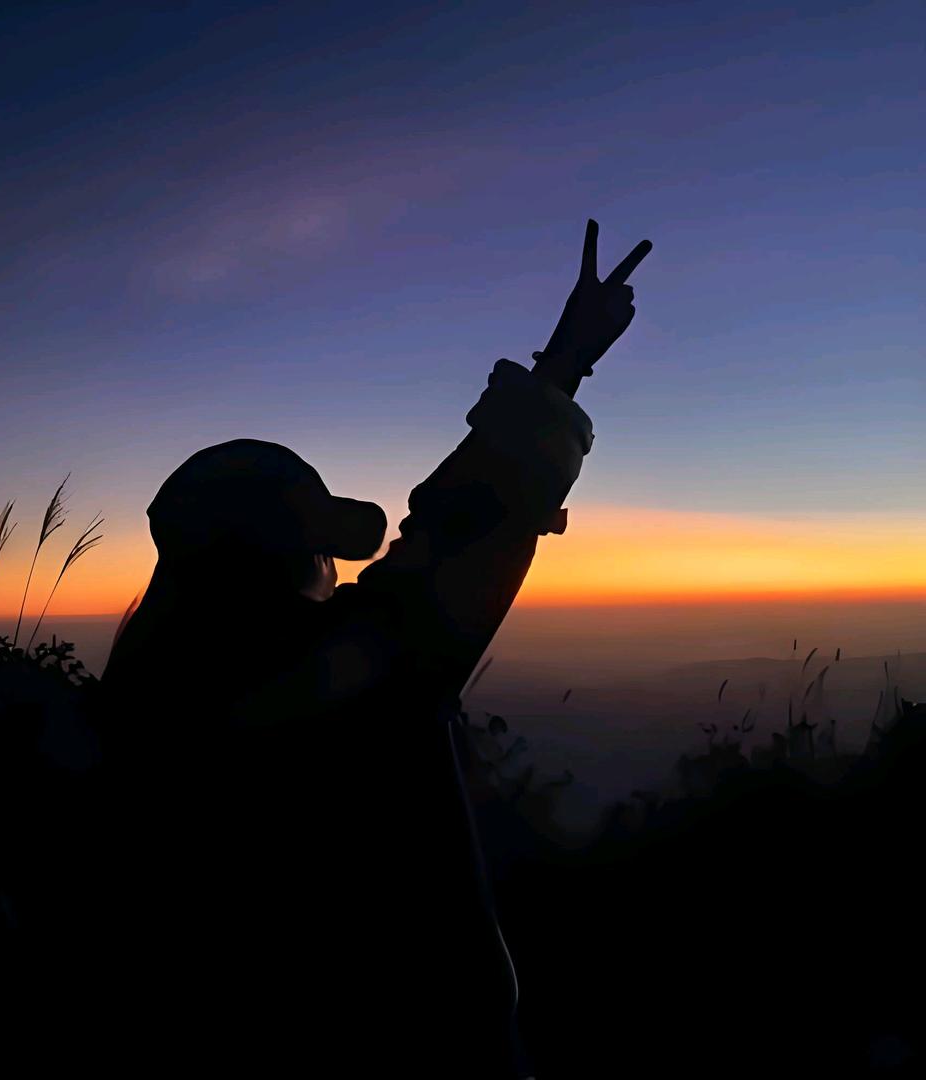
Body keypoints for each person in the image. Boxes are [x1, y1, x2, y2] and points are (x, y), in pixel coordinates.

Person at [100, 220, 651, 1076]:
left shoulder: (146, 702)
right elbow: (458, 538)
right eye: (322, 549)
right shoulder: (325, 682)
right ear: (291, 558)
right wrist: (564, 364)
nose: (336, 571)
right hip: (418, 1062)